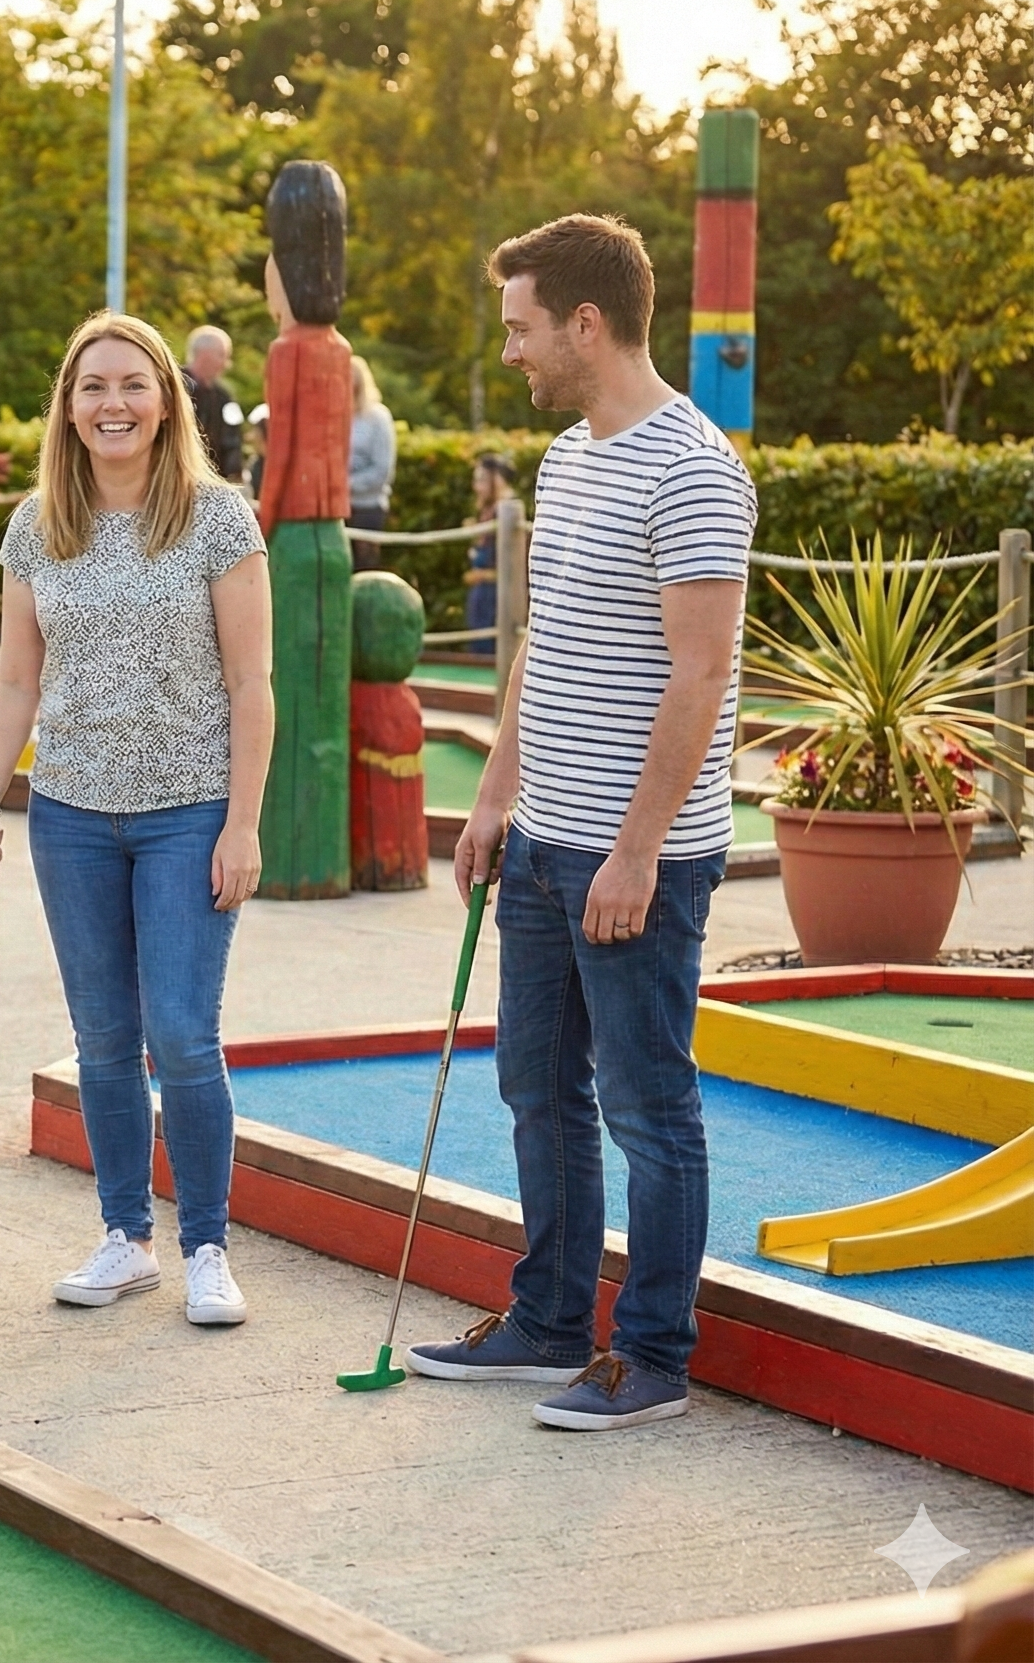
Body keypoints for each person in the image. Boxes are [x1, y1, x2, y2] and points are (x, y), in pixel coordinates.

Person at [407, 215, 754, 1430]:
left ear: (585, 324)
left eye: (518, 327)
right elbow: (541, 644)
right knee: (535, 1089)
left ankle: (648, 1357)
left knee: (646, 1107)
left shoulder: (694, 469)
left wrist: (638, 848)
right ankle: (548, 1320)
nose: (509, 351)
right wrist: (496, 792)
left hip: (633, 859)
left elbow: (700, 676)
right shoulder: (567, 461)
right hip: (545, 842)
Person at [0, 312, 275, 1326]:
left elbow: (251, 682)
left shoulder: (216, 518)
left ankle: (205, 1246)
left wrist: (242, 823)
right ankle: (122, 1236)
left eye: (131, 384)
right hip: (70, 813)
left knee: (181, 1033)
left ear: (165, 400)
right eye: (91, 386)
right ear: (67, 405)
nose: (111, 403)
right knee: (101, 1035)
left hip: (188, 812)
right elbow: (14, 679)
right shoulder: (34, 525)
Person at [463, 453, 518, 654]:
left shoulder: (508, 511)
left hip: (497, 598)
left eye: (483, 480)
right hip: (481, 596)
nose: (477, 487)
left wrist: (484, 575)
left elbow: (515, 567)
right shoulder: (486, 512)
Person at [347, 356, 396, 567]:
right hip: (339, 509)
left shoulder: (378, 418)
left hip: (367, 507)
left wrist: (345, 485)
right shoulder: (336, 417)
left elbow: (382, 469)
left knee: (365, 567)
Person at [180, 324, 243, 483]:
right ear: (204, 354)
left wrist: (232, 472)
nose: (226, 363)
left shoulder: (224, 397)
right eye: (222, 355)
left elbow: (233, 435)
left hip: (212, 479)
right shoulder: (175, 387)